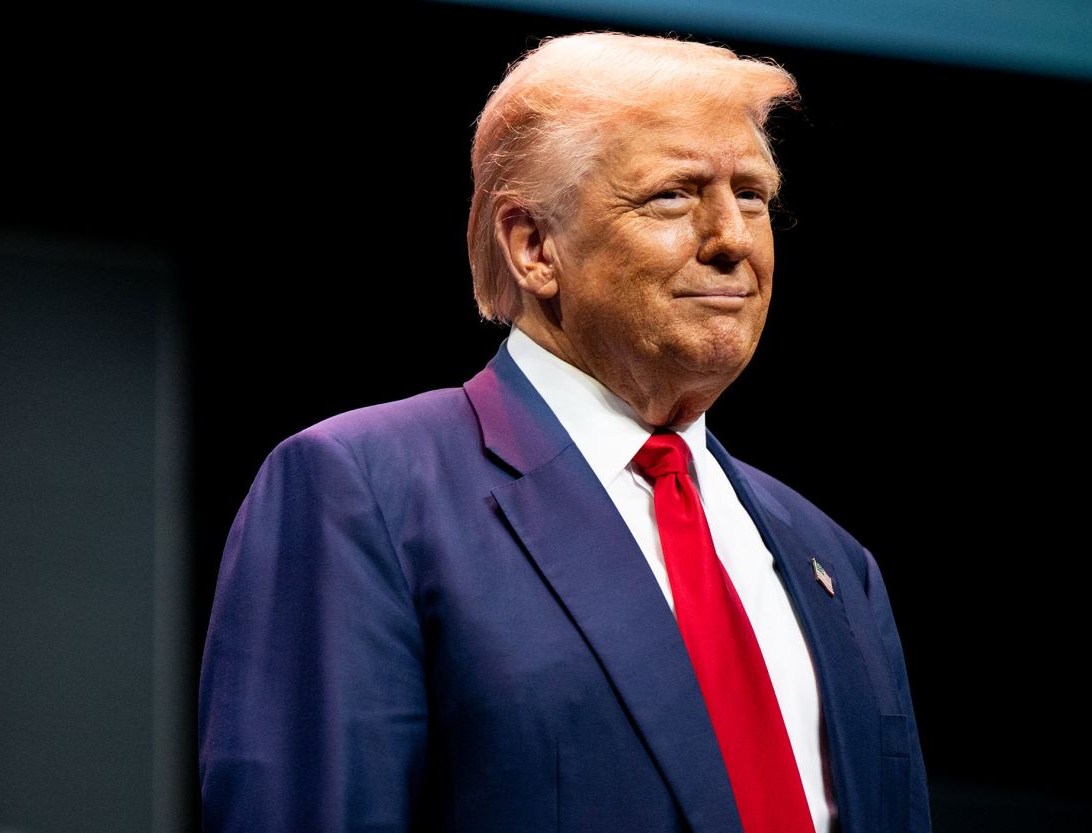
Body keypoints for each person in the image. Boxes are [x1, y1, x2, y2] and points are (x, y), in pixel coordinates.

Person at [198, 31, 930, 833]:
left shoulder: (835, 564)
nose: (733, 239)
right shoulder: (367, 494)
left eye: (752, 194)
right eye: (675, 195)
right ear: (533, 246)